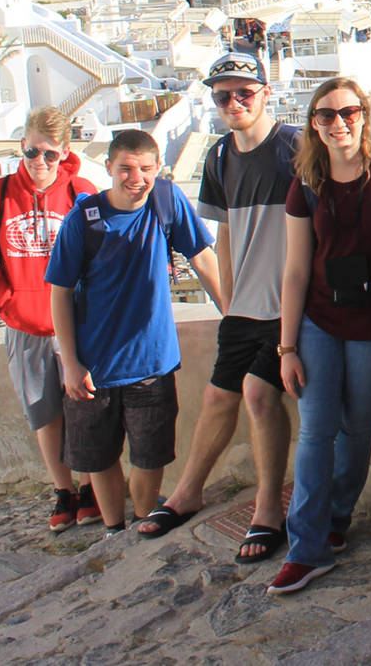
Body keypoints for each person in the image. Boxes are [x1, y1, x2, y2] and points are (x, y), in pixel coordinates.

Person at [133, 51, 299, 563]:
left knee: (257, 395)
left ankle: (268, 507)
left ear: (265, 93)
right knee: (217, 398)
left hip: (285, 307)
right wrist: (229, 303)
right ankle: (187, 493)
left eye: (244, 93)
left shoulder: (293, 147)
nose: (233, 103)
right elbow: (224, 235)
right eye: (223, 95)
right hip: (245, 307)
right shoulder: (220, 157)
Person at [268, 77, 371, 594]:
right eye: (326, 115)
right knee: (315, 430)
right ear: (313, 124)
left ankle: (335, 519)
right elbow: (294, 269)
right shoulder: (306, 180)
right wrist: (286, 347)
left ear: (364, 115)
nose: (338, 123)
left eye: (348, 112)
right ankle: (305, 547)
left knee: (357, 426)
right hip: (320, 321)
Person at [45, 128, 226, 534]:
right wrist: (71, 363)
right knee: (99, 458)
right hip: (94, 368)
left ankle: (144, 519)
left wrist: (231, 316)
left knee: (150, 457)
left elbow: (203, 259)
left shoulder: (167, 201)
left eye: (145, 168)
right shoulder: (84, 219)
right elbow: (59, 293)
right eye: (125, 168)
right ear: (109, 167)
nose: (136, 177)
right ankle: (114, 529)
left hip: (151, 364)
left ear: (157, 168)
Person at [0, 107, 98, 533]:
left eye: (48, 155)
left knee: (82, 406)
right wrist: (6, 304)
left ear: (64, 153)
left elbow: (99, 254)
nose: (39, 163)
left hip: (75, 324)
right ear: (20, 148)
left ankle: (88, 488)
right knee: (43, 412)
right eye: (30, 152)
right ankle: (62, 490)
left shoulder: (81, 193)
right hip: (25, 325)